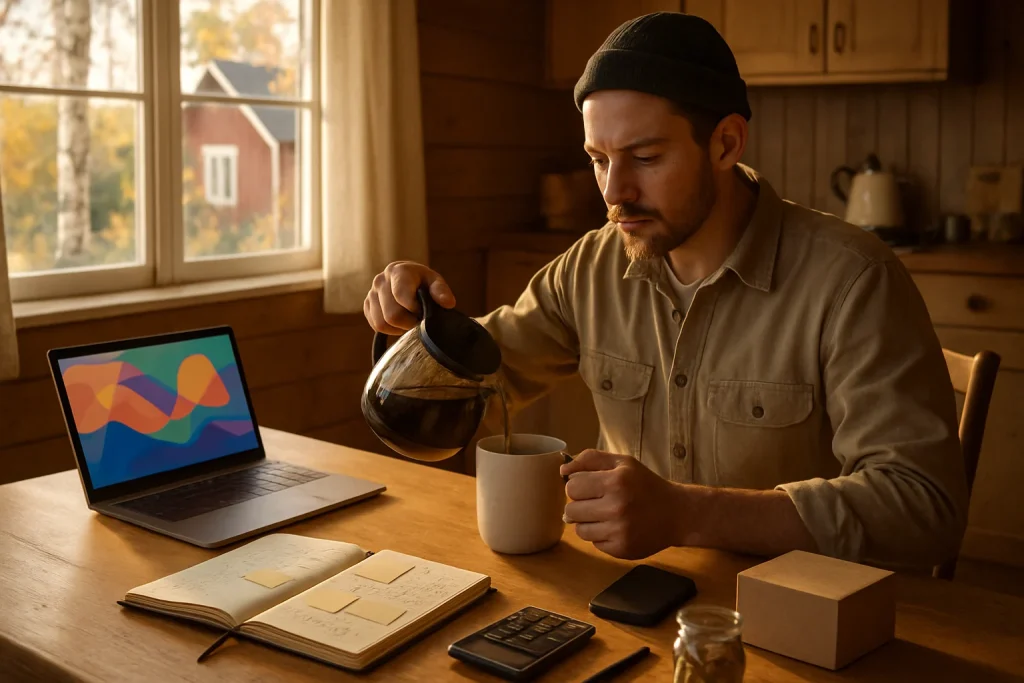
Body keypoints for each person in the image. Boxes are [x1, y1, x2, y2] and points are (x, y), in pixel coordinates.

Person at [363, 12, 967, 571]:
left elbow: (923, 509)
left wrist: (686, 513)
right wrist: (416, 322)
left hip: (805, 619)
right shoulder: (593, 265)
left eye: (645, 157)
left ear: (726, 144)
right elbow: (479, 382)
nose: (612, 191)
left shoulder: (852, 280)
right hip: (637, 601)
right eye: (598, 159)